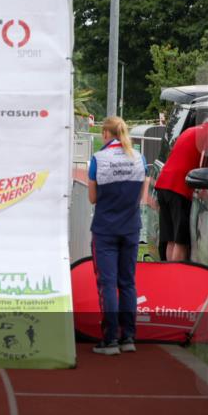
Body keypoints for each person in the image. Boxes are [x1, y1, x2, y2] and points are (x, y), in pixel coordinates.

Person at [88, 116, 149, 355]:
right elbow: (140, 196)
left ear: (105, 134)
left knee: (108, 284)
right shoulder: (139, 158)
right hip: (131, 227)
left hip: (105, 229)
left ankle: (110, 339)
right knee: (128, 282)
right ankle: (129, 337)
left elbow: (92, 198)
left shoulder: (98, 159)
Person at [154, 120, 208, 262]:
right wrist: (206, 191)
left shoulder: (188, 131)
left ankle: (168, 275)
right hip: (178, 189)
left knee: (170, 239)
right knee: (181, 241)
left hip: (163, 184)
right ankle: (176, 278)